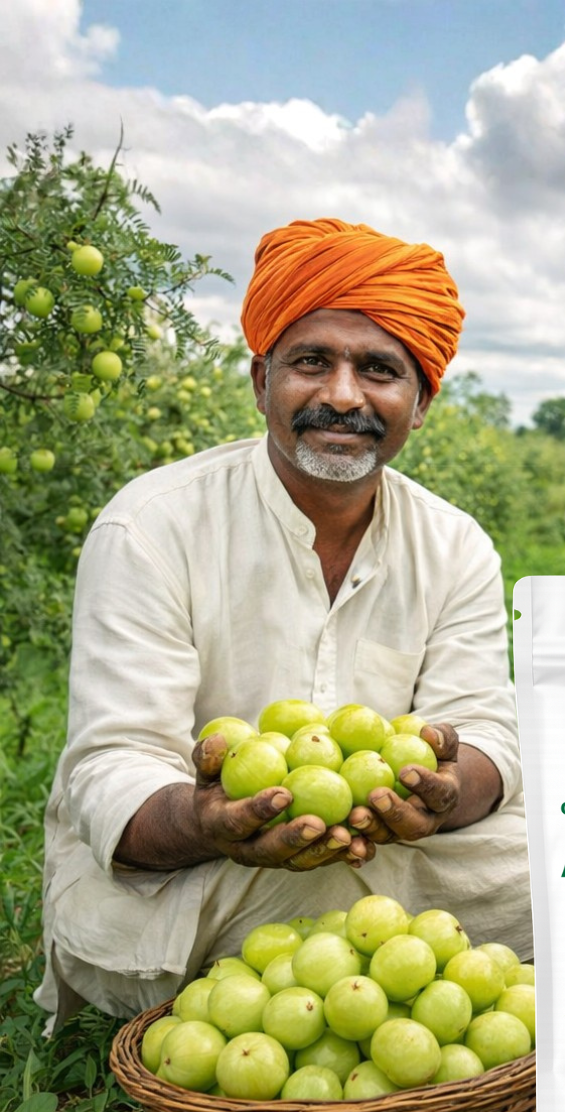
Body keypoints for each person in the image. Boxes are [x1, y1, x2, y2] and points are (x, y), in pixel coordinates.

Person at [36, 217, 530, 1032]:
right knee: (294, 883)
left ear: (422, 401)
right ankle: (397, 975)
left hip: (397, 849)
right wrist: (207, 821)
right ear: (261, 379)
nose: (343, 395)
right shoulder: (152, 526)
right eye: (311, 362)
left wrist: (444, 795)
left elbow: (485, 731)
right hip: (204, 866)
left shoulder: (453, 543)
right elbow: (113, 765)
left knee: (561, 855)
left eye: (379, 370)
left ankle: (332, 978)